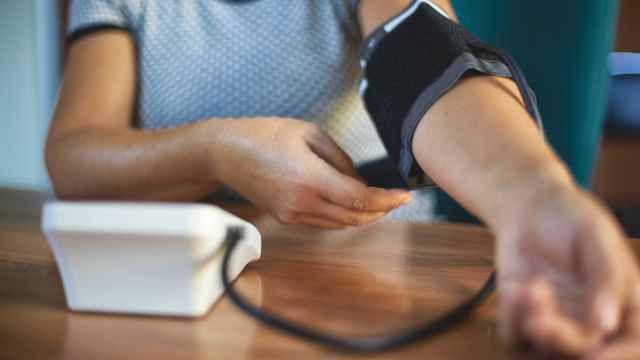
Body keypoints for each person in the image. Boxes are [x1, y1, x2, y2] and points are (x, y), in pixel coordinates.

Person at [46, 0, 640, 358]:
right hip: (168, 311)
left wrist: (535, 198)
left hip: (366, 300)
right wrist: (218, 152)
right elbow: (75, 157)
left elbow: (425, 61)